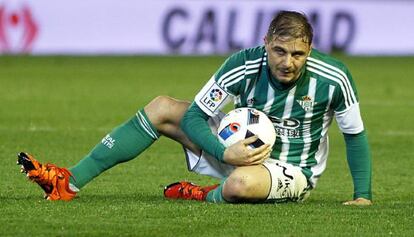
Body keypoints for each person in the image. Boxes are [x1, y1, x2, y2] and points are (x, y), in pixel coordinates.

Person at [17, 11, 372, 205]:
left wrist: (362, 196)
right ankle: (68, 182)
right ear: (265, 44)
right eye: (279, 51)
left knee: (239, 185)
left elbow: (354, 135)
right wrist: (224, 151)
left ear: (310, 50)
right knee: (162, 107)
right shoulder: (243, 64)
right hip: (231, 150)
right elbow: (194, 116)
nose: (288, 62)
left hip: (289, 171)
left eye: (298, 54)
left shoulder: (333, 77)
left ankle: (203, 194)